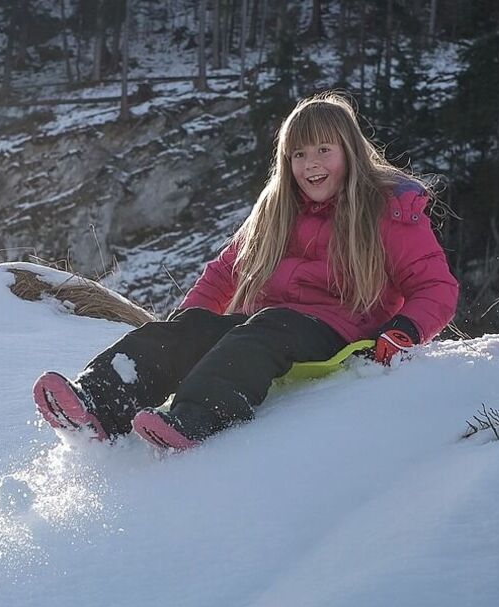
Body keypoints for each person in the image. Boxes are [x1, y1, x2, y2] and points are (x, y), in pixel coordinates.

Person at [33, 91, 459, 450]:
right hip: (267, 327)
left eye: (324, 150)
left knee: (265, 328)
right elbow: (222, 274)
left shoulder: (386, 210)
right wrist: (190, 324)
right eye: (299, 154)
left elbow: (435, 287)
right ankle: (98, 402)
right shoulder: (277, 211)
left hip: (340, 333)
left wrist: (402, 331)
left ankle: (196, 419)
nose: (312, 164)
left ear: (349, 152)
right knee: (197, 328)